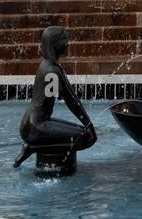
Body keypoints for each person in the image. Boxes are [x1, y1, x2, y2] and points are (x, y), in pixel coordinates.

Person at [14, 26, 97, 168]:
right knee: (87, 137)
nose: (67, 43)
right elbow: (72, 101)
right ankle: (33, 148)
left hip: (33, 123)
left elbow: (68, 99)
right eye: (64, 39)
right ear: (54, 44)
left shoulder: (46, 66)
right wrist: (90, 125)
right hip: (36, 127)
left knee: (81, 131)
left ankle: (32, 146)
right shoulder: (52, 71)